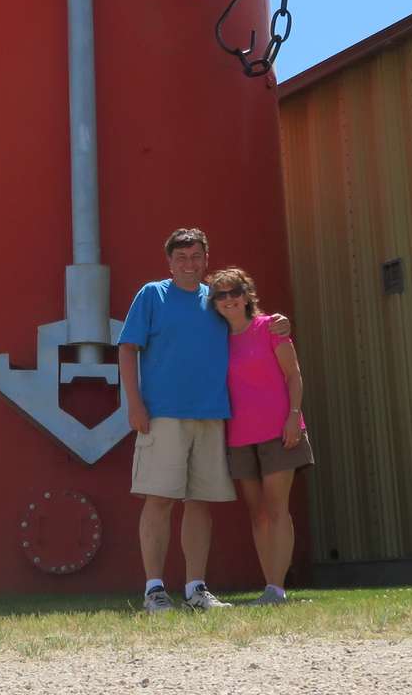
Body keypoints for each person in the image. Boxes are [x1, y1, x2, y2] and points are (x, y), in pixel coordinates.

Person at [118, 228, 289, 613]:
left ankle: (196, 589)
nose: (189, 264)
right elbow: (128, 349)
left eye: (196, 257)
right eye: (181, 257)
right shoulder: (152, 295)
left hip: (212, 416)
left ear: (205, 259)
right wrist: (135, 403)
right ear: (169, 262)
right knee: (159, 499)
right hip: (162, 414)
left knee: (200, 502)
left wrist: (279, 323)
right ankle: (154, 591)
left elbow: (252, 324)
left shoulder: (216, 299)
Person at [208, 266, 314, 605]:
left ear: (247, 294)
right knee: (258, 514)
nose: (229, 300)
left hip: (279, 431)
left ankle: (276, 588)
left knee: (277, 508)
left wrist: (293, 418)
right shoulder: (216, 340)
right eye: (220, 295)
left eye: (234, 291)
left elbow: (293, 375)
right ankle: (269, 587)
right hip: (239, 436)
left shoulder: (270, 327)